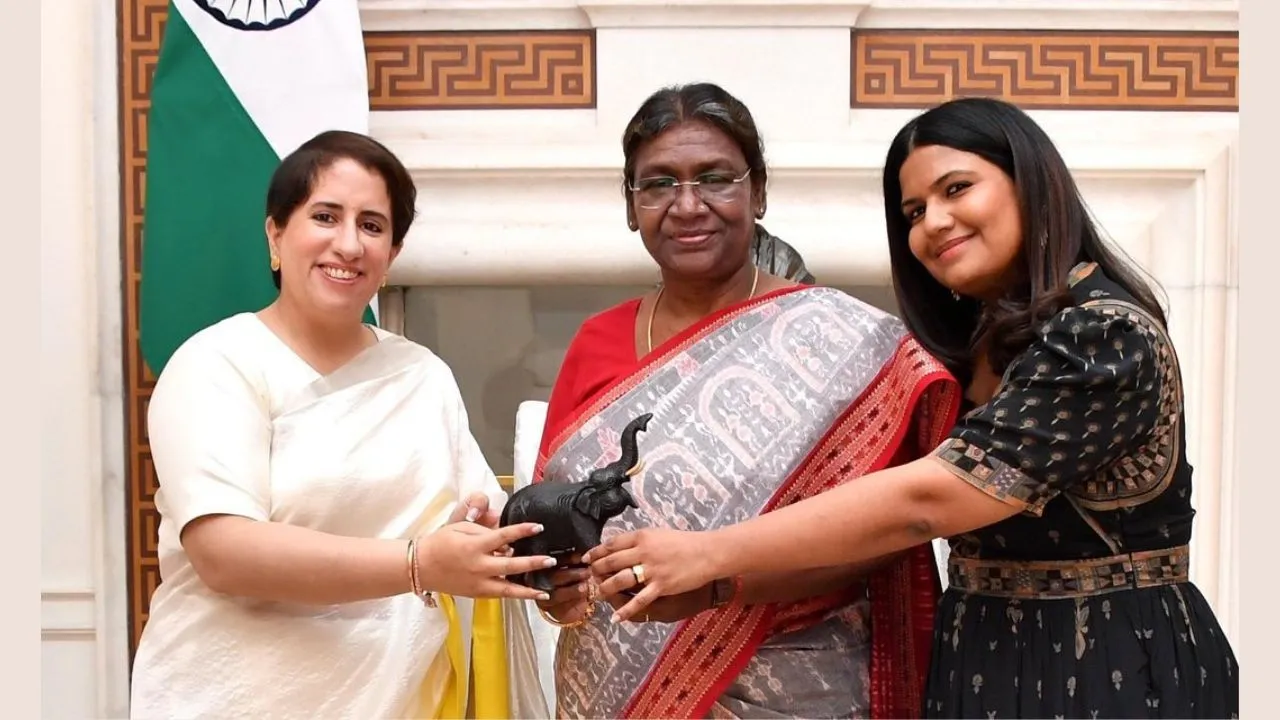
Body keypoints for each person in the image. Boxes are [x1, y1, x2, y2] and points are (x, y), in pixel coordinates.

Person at [584, 97, 1239, 719]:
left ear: (1030, 182)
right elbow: (872, 523)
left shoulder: (1103, 335)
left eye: (957, 189)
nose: (934, 223)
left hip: (1106, 662)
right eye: (914, 211)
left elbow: (928, 501)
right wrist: (725, 590)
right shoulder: (963, 349)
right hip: (981, 657)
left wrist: (710, 554)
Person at [531, 82, 962, 720]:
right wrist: (555, 593)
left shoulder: (838, 339)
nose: (687, 205)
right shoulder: (596, 342)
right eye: (658, 184)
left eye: (715, 178)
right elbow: (557, 537)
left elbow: (888, 533)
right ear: (631, 206)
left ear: (757, 192)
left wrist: (717, 584)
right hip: (625, 691)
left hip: (806, 685)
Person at [129, 130, 554, 719]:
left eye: (373, 225)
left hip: (402, 697)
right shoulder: (218, 363)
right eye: (325, 216)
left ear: (392, 255)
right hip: (237, 694)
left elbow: (479, 515)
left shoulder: (419, 373)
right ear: (276, 234)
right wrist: (418, 564)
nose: (349, 244)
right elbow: (224, 553)